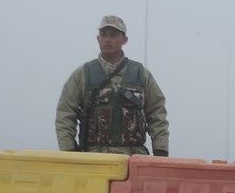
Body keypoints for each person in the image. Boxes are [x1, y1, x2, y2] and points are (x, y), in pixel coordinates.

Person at [56, 15, 169, 156]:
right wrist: (68, 151)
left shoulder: (141, 74)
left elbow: (157, 113)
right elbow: (65, 113)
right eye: (104, 35)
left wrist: (161, 151)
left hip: (133, 158)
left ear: (124, 40)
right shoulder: (83, 74)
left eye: (114, 35)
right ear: (98, 39)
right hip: (94, 158)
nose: (108, 39)